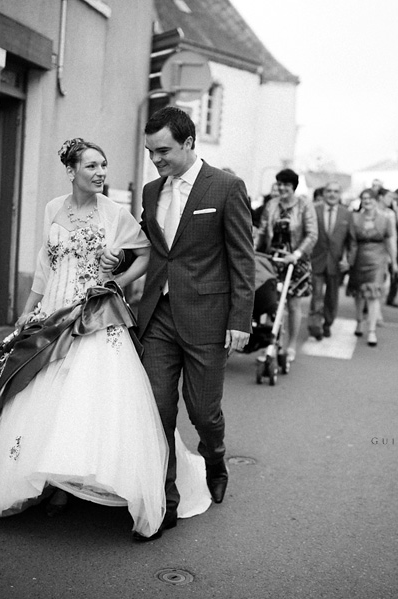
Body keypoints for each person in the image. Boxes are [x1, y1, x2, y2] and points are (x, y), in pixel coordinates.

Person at [0, 138, 211, 540]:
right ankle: (52, 481)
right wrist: (28, 310)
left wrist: (116, 277)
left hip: (93, 317)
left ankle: (78, 485)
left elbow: (147, 255)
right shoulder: (54, 207)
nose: (100, 172)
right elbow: (44, 265)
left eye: (103, 165)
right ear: (71, 172)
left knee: (86, 400)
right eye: (91, 166)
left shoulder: (115, 213)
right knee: (40, 396)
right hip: (53, 313)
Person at [103, 107, 255, 541]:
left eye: (164, 150)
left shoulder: (226, 187)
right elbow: (153, 246)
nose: (156, 160)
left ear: (189, 142)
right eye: (151, 152)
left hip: (208, 318)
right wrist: (122, 259)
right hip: (159, 317)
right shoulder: (152, 192)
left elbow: (242, 259)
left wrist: (240, 320)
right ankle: (163, 502)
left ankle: (216, 457)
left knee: (203, 412)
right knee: (157, 411)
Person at [259, 168, 318, 361]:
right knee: (270, 302)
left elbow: (311, 234)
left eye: (286, 185)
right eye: (279, 184)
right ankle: (268, 341)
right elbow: (262, 230)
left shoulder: (304, 205)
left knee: (293, 304)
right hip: (273, 260)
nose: (282, 188)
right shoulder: (272, 204)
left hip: (295, 260)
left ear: (293, 187)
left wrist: (297, 253)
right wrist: (253, 250)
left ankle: (291, 345)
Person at [347, 188, 397, 346]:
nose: (367, 201)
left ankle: (372, 330)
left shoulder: (385, 219)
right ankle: (359, 320)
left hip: (377, 260)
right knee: (359, 293)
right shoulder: (354, 218)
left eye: (370, 199)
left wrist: (394, 262)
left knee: (374, 294)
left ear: (376, 201)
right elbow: (351, 242)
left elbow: (390, 242)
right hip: (359, 258)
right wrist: (348, 260)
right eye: (364, 199)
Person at [308, 181, 351, 340]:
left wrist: (348, 259)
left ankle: (328, 323)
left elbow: (350, 240)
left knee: (332, 297)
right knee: (317, 295)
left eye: (335, 191)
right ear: (324, 193)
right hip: (316, 259)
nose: (332, 194)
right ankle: (315, 325)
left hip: (336, 261)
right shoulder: (314, 210)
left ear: (339, 195)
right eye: (329, 191)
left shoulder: (346, 214)